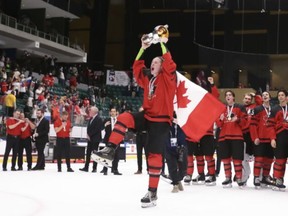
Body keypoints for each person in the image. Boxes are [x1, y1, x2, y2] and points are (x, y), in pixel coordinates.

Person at [93, 34, 176, 208]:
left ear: (162, 66)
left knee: (154, 157)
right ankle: (110, 150)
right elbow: (137, 68)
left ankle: (152, 192)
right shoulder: (148, 79)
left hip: (161, 121)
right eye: (151, 62)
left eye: (156, 62)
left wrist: (162, 43)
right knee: (123, 117)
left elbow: (169, 62)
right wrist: (143, 49)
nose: (152, 64)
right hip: (147, 116)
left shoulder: (168, 78)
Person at [216, 90, 247, 188]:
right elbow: (219, 124)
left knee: (237, 158)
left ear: (233, 97)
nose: (228, 97)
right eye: (226, 95)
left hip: (236, 136)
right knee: (225, 158)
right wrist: (220, 119)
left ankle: (239, 178)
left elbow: (245, 121)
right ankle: (227, 178)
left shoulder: (240, 107)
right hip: (224, 136)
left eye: (230, 95)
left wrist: (237, 119)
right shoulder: (222, 108)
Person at [250, 91, 274, 189]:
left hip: (271, 139)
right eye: (263, 95)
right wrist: (255, 137)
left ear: (270, 97)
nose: (265, 96)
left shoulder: (274, 109)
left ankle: (265, 177)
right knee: (259, 159)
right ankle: (256, 177)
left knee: (269, 159)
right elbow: (252, 125)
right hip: (260, 138)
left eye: (266, 95)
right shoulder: (257, 109)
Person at [269, 89, 288, 191]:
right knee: (280, 159)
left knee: (284, 161)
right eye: (279, 95)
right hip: (280, 136)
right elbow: (270, 125)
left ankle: (280, 179)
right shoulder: (274, 109)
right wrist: (272, 138)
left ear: (286, 97)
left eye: (282, 95)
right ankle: (277, 179)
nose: (280, 97)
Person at [164, 117, 187, 193]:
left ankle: (178, 179)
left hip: (181, 148)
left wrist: (182, 145)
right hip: (169, 148)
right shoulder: (165, 124)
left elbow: (183, 135)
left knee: (183, 169)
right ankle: (175, 184)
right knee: (172, 167)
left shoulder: (181, 122)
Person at [79, 106, 103, 172]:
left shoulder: (99, 119)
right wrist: (88, 134)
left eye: (90, 110)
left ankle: (94, 168)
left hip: (95, 139)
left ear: (94, 112)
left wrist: (90, 135)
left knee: (95, 154)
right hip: (90, 139)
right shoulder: (91, 119)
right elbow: (88, 128)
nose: (89, 111)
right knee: (88, 153)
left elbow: (97, 129)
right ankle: (86, 167)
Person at [101, 107, 122, 175]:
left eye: (114, 111)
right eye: (111, 111)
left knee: (116, 155)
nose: (113, 113)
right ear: (110, 112)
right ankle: (105, 169)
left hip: (117, 140)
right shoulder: (107, 120)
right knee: (106, 154)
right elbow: (100, 128)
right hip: (108, 140)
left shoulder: (119, 120)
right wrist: (105, 125)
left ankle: (115, 170)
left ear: (116, 112)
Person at [134, 106, 148, 174]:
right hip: (139, 135)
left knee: (147, 153)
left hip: (146, 135)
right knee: (139, 153)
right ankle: (139, 169)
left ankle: (148, 169)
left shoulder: (147, 118)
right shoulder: (136, 118)